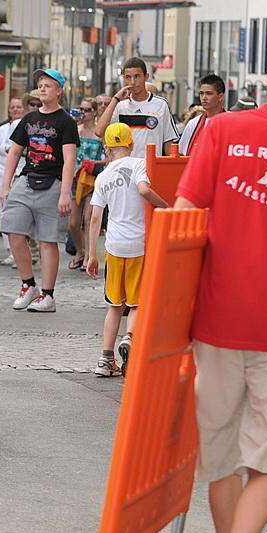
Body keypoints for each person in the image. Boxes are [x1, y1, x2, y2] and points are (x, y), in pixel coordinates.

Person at [174, 38, 267, 533]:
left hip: (219, 318)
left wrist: (169, 314)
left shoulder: (223, 130)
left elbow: (183, 221)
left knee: (220, 457)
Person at [85, 123, 168, 377]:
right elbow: (144, 189)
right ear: (131, 144)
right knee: (136, 304)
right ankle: (130, 337)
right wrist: (166, 207)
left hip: (114, 245)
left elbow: (95, 218)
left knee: (114, 305)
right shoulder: (139, 164)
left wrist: (91, 255)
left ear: (107, 147)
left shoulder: (103, 176)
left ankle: (105, 359)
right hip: (138, 245)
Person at [0, 69, 78, 312]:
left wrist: (65, 193)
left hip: (53, 182)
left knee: (47, 240)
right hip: (26, 180)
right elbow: (15, 151)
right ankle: (28, 284)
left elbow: (69, 158)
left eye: (48, 85)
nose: (42, 89)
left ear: (59, 91)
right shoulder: (30, 119)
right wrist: (6, 185)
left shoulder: (66, 121)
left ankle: (48, 295)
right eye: (40, 85)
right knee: (13, 231)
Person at [97, 57, 180, 157]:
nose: (132, 82)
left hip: (150, 165)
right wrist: (115, 99)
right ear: (124, 79)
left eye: (137, 76)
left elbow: (168, 142)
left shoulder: (161, 105)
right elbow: (99, 132)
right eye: (128, 77)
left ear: (146, 77)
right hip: (126, 165)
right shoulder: (120, 106)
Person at [67, 97, 106, 271]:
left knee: (89, 218)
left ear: (95, 112)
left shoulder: (100, 132)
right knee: (73, 222)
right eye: (81, 109)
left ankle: (90, 256)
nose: (84, 113)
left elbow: (110, 157)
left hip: (93, 178)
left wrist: (95, 164)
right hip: (76, 178)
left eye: (88, 110)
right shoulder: (75, 130)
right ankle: (80, 251)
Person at [0, 96, 26, 252]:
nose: (15, 110)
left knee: (20, 214)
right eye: (12, 107)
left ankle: (23, 249)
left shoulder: (28, 127)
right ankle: (10, 250)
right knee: (4, 213)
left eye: (19, 107)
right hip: (2, 175)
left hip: (22, 174)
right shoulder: (1, 130)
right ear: (8, 110)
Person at [179, 74, 226, 156]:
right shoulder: (193, 124)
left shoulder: (231, 124)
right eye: (201, 93)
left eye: (209, 93)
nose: (204, 97)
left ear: (220, 96)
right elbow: (181, 153)